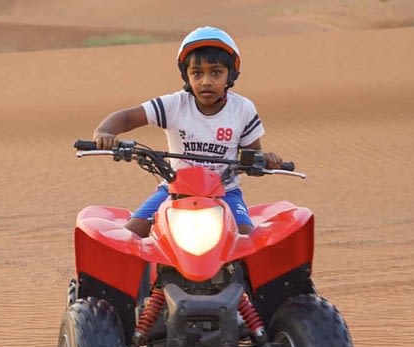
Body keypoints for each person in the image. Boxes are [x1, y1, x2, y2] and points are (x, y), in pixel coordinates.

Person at [92, 26, 282, 237]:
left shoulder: (242, 109)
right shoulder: (174, 105)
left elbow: (251, 154)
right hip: (173, 190)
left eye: (216, 72)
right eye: (197, 73)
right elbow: (127, 117)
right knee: (131, 234)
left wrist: (262, 159)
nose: (206, 81)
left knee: (247, 238)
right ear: (186, 76)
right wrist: (105, 132)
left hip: (225, 192)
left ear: (231, 74)